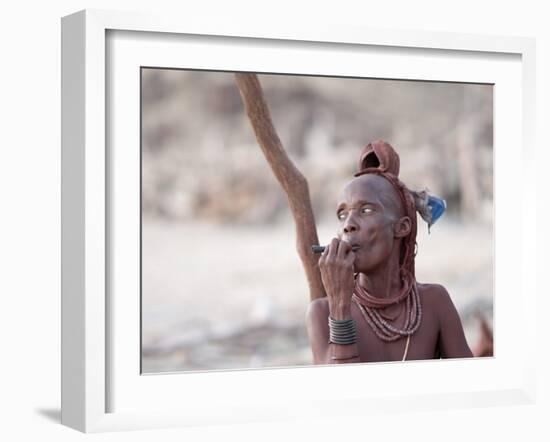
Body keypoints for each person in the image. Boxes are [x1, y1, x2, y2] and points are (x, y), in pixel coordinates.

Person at [306, 140, 473, 364]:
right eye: (342, 214)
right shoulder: (321, 312)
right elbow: (340, 391)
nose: (348, 225)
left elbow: (471, 387)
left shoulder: (434, 303)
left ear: (402, 227)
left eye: (365, 210)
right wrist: (339, 304)